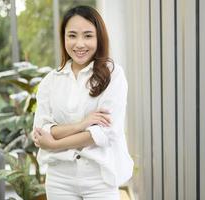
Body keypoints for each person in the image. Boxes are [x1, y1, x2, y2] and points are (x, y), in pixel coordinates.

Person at [32, 5, 133, 200]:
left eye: (88, 36)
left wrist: (53, 144)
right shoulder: (50, 82)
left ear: (99, 38)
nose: (79, 44)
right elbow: (41, 130)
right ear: (64, 38)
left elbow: (104, 133)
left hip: (100, 179)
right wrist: (82, 125)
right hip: (59, 179)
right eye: (72, 35)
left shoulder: (113, 76)